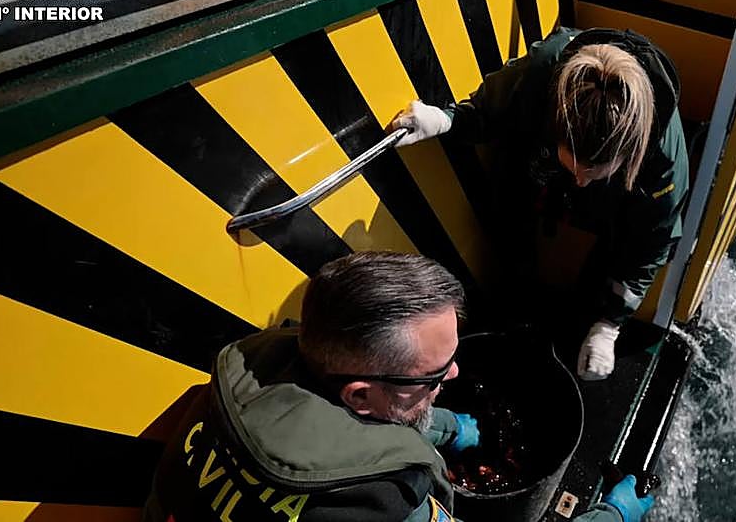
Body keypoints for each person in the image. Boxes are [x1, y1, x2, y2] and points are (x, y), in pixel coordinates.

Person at [142, 251, 654, 522]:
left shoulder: (244, 377)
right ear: (359, 395)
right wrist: (612, 514)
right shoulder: (384, 506)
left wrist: (450, 428)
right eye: (433, 375)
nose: (452, 376)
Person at [389, 28, 689, 381]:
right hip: (542, 162)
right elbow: (492, 109)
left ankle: (589, 312)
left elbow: (650, 243)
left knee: (615, 248)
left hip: (616, 194)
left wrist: (609, 324)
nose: (580, 181)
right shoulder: (543, 71)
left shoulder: (662, 163)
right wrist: (447, 120)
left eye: (592, 174)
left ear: (630, 156)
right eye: (575, 169)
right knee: (512, 202)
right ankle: (513, 288)